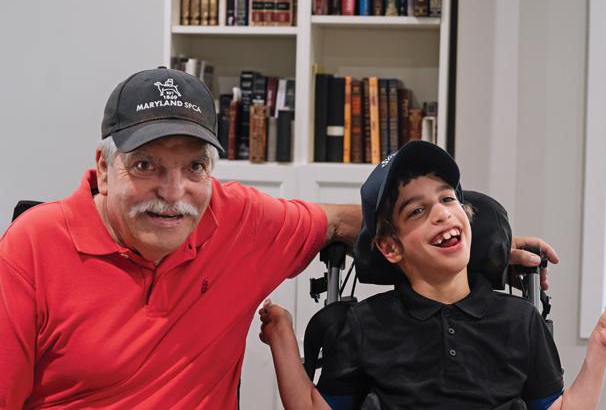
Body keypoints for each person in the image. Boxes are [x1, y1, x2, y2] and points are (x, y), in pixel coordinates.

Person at [0, 68, 555, 409]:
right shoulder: (34, 246)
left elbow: (345, 219)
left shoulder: (239, 220)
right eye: (145, 165)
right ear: (103, 164)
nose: (172, 193)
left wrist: (470, 241)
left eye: (194, 167)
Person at [258, 140, 606, 410]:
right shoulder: (366, 323)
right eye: (416, 211)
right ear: (390, 247)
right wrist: (281, 336)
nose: (441, 213)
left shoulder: (519, 320)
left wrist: (600, 349)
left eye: (447, 199)